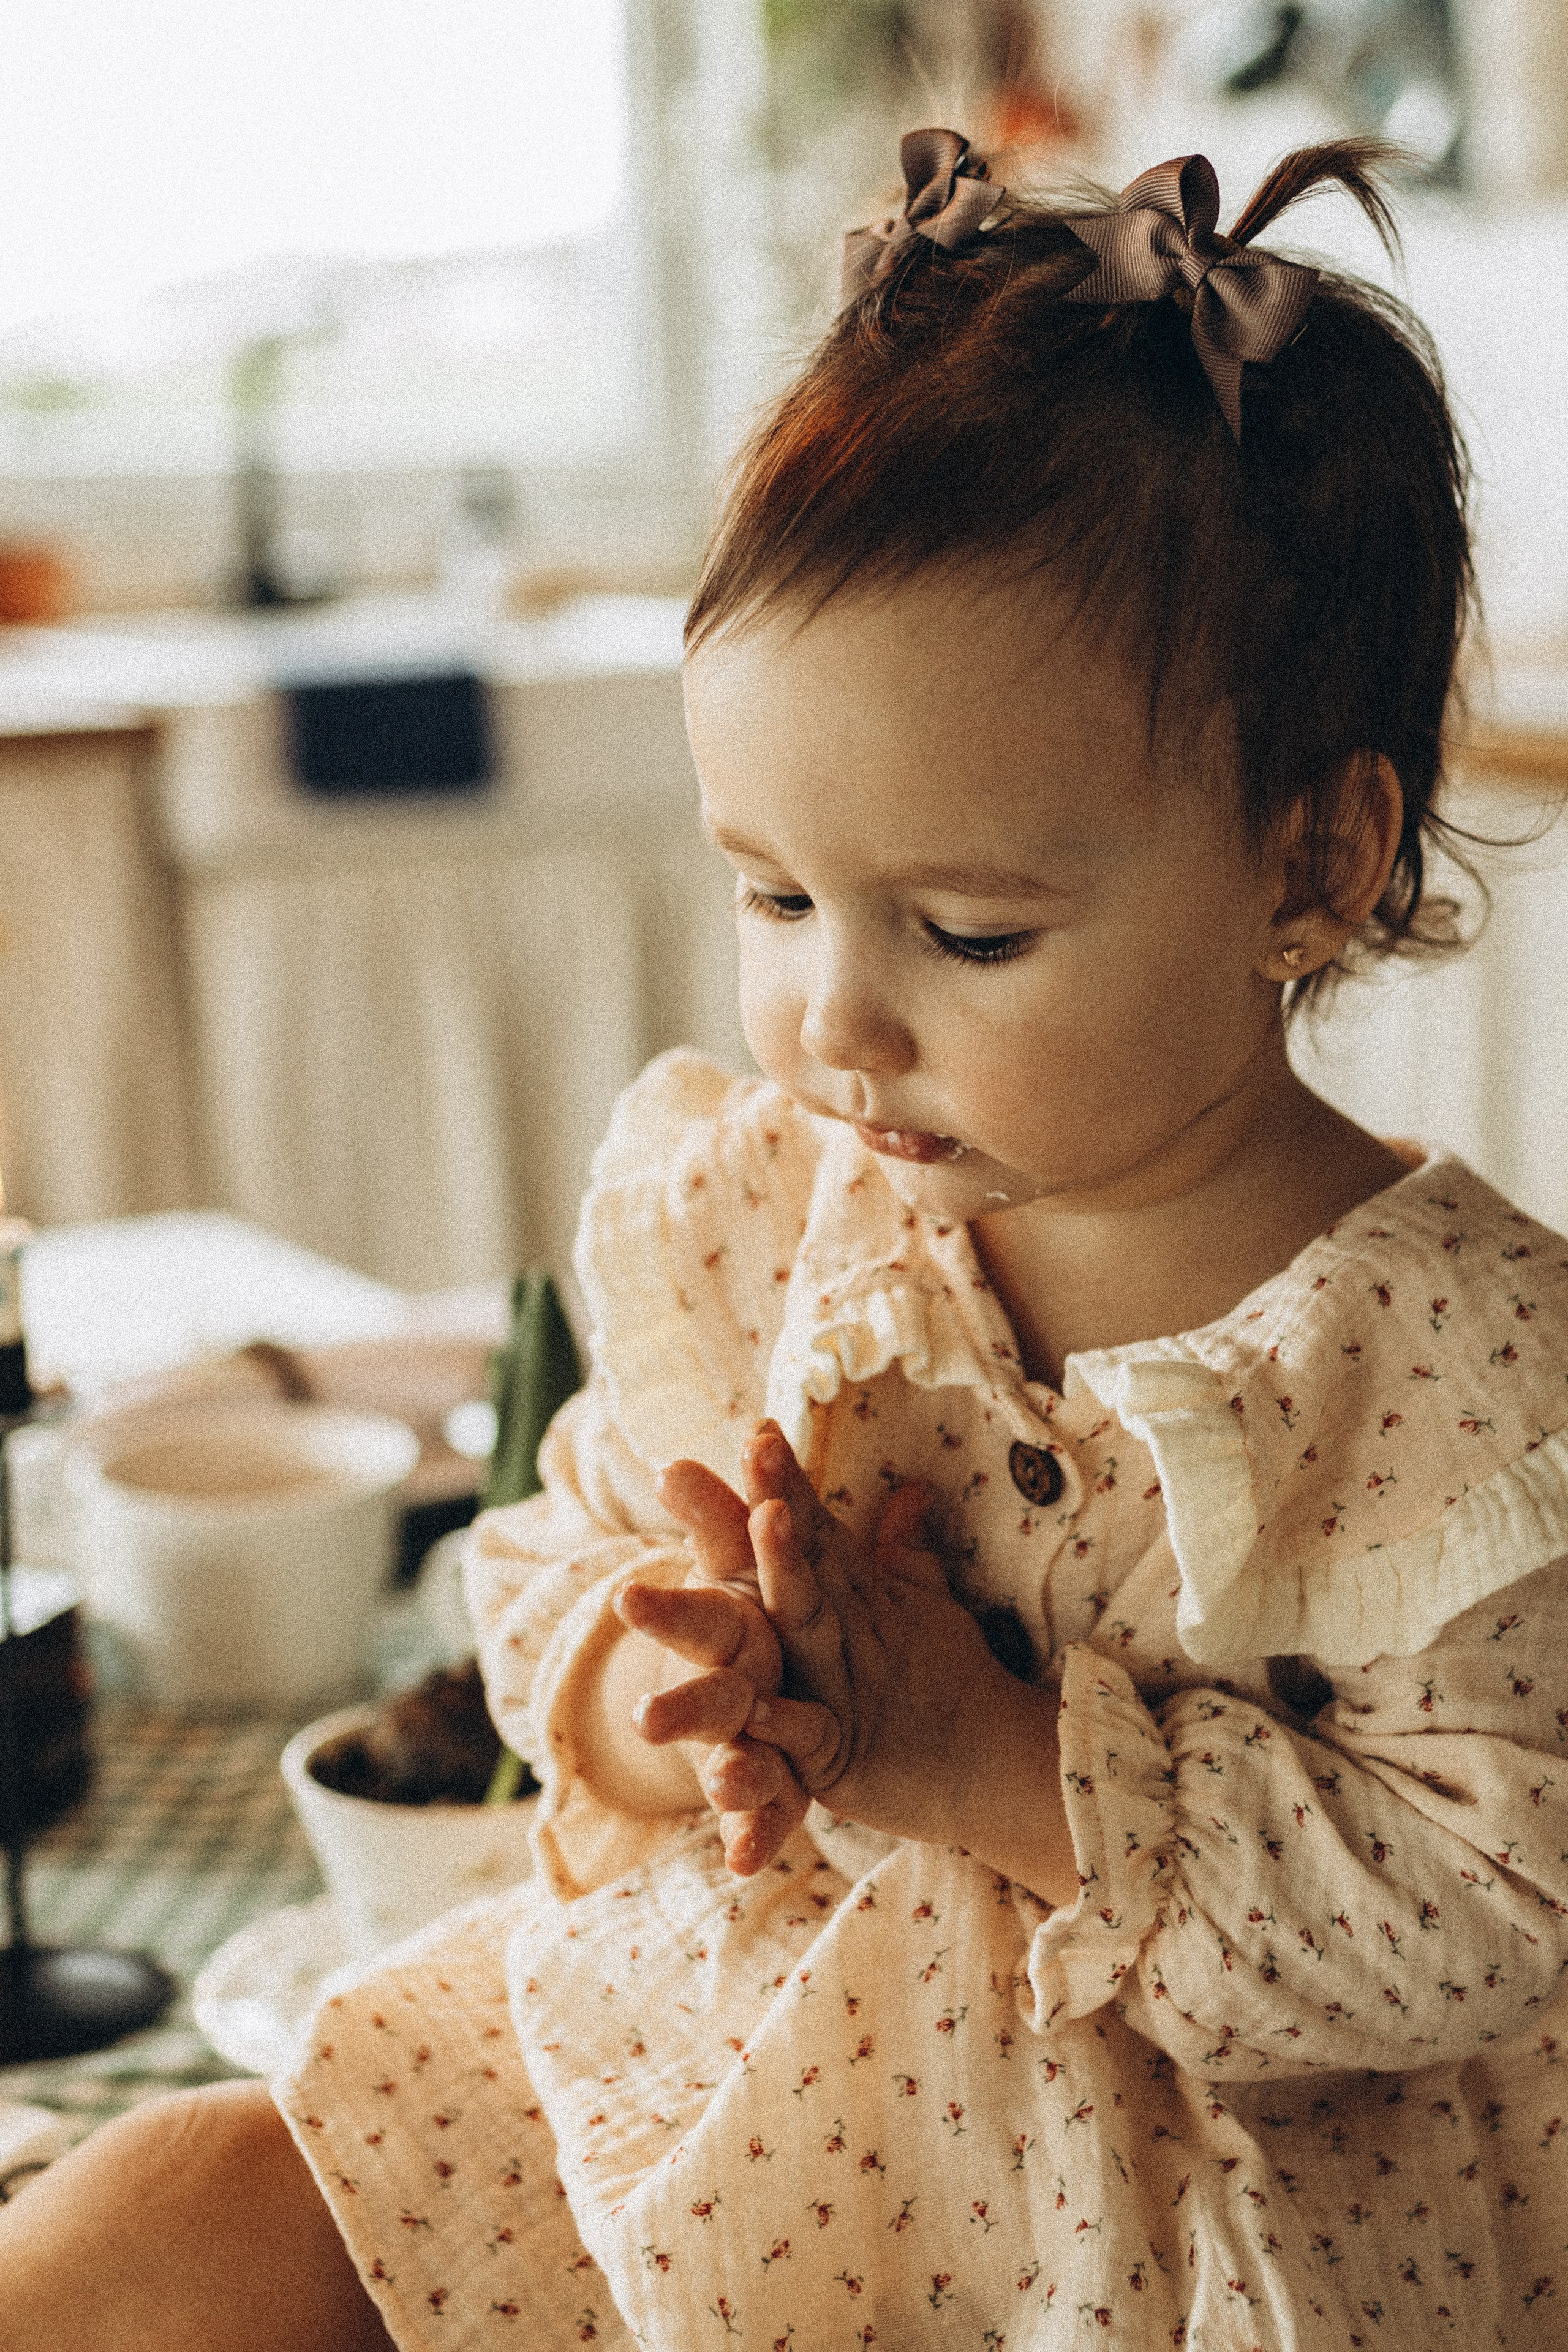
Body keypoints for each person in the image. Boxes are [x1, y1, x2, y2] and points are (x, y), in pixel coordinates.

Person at [7, 128, 1568, 2350]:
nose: (831, 1015)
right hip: (719, 2076)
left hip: (1159, 2238)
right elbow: (562, 1547)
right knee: (144, 2217)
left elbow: (1487, 1899)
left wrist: (981, 1758)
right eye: (772, 894)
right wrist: (663, 1697)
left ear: (1312, 862)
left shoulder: (1466, 1385)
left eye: (964, 927)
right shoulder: (776, 1218)